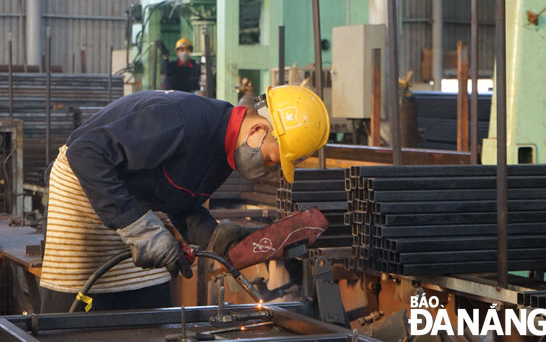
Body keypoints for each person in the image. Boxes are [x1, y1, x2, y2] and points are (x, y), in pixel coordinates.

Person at [39, 85, 329, 313]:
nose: (267, 168)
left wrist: (213, 236)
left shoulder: (221, 150)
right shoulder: (182, 121)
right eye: (269, 159)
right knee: (80, 316)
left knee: (151, 310)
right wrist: (139, 229)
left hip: (128, 203)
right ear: (257, 129)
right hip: (84, 188)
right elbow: (86, 154)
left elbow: (174, 195)